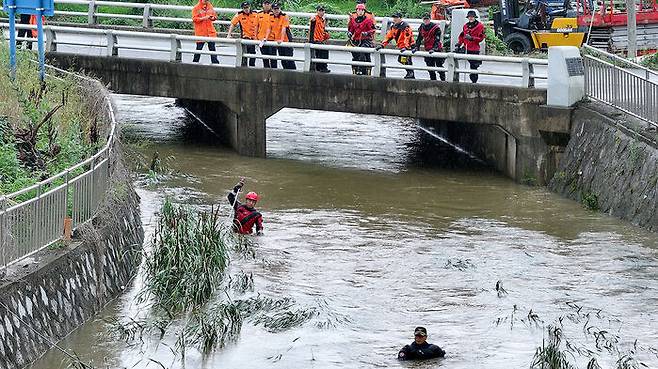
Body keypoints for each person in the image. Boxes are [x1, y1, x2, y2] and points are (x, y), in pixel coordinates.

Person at [378, 12, 415, 79]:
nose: (394, 19)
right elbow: (388, 37)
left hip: (407, 46)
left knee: (405, 60)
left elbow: (407, 38)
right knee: (402, 60)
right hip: (401, 47)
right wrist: (382, 45)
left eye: (396, 18)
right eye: (394, 18)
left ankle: (410, 73)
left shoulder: (405, 26)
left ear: (400, 18)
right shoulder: (394, 27)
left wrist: (405, 47)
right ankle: (410, 73)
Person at [413, 14, 445, 81]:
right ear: (423, 19)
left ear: (430, 19)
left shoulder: (436, 28)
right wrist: (416, 47)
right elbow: (419, 38)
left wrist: (434, 49)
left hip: (436, 49)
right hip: (427, 49)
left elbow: (437, 39)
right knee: (430, 67)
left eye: (427, 19)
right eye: (425, 19)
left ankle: (443, 80)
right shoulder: (422, 27)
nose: (426, 20)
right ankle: (433, 81)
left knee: (439, 66)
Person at [456, 10, 485, 83]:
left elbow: (481, 38)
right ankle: (454, 78)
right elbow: (462, 36)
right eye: (469, 17)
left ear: (475, 17)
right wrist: (459, 44)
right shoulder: (465, 26)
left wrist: (472, 38)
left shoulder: (480, 26)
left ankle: (474, 82)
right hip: (466, 48)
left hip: (474, 49)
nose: (471, 18)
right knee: (454, 57)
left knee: (473, 67)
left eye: (472, 17)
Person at [347, 3, 376, 76]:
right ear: (356, 11)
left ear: (364, 11)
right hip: (356, 40)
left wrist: (367, 33)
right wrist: (349, 33)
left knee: (363, 53)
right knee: (355, 55)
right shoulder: (353, 20)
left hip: (366, 40)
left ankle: (362, 70)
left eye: (362, 10)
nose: (360, 11)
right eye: (358, 10)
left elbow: (373, 30)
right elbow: (351, 29)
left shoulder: (368, 20)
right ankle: (355, 69)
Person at [228, 1, 258, 67]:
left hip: (254, 37)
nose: (246, 9)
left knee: (253, 53)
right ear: (242, 8)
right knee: (245, 52)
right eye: (244, 8)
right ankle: (244, 66)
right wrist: (229, 34)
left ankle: (252, 66)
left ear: (250, 7)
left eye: (247, 7)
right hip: (245, 36)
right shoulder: (239, 14)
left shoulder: (255, 14)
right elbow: (233, 24)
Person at [191, 0, 219, 64]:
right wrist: (203, 18)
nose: (206, 1)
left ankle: (215, 64)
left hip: (210, 32)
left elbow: (214, 16)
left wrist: (213, 18)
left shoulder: (210, 6)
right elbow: (194, 19)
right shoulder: (196, 8)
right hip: (201, 32)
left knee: (212, 49)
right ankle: (194, 63)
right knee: (199, 49)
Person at [271, 4, 296, 70]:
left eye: (277, 9)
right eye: (275, 9)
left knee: (289, 59)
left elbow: (284, 28)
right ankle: (286, 74)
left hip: (286, 40)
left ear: (280, 9)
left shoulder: (284, 16)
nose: (276, 10)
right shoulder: (271, 17)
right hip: (278, 41)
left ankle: (293, 74)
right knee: (283, 59)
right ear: (272, 10)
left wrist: (281, 40)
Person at [309, 5, 331, 73]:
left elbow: (322, 31)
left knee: (322, 51)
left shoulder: (322, 20)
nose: (321, 12)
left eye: (322, 11)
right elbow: (312, 20)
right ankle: (323, 67)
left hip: (319, 40)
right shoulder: (315, 18)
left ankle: (320, 67)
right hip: (314, 40)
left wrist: (326, 37)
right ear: (317, 12)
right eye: (320, 11)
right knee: (324, 50)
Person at [256, 0, 276, 68]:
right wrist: (255, 38)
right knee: (265, 58)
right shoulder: (259, 14)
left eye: (268, 4)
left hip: (272, 39)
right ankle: (266, 73)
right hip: (262, 39)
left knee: (273, 58)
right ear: (263, 5)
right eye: (265, 4)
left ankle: (274, 73)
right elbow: (256, 26)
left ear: (270, 5)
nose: (267, 5)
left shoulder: (274, 14)